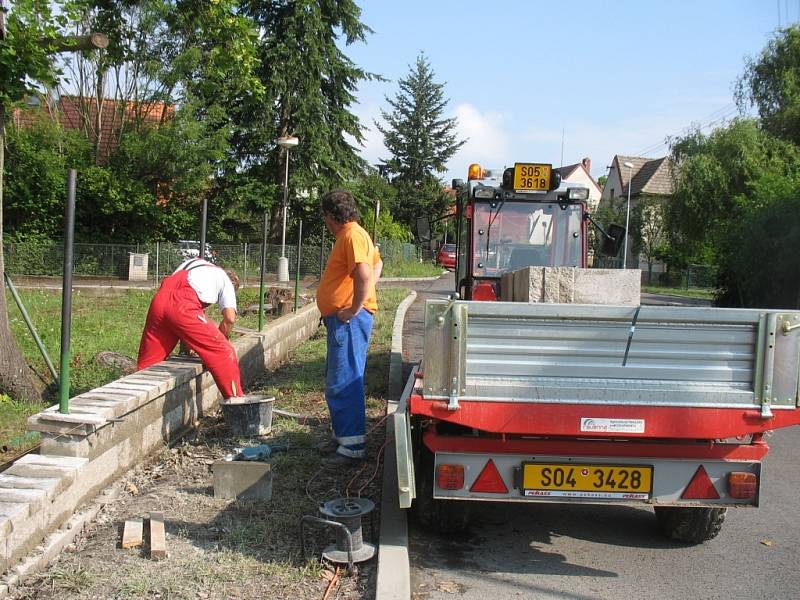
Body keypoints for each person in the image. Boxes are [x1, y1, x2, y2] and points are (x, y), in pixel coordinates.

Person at [317, 189, 383, 463]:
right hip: (347, 320)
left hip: (349, 321)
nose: (325, 223)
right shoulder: (357, 234)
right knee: (339, 378)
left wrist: (354, 308)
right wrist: (363, 296)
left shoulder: (352, 235)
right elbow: (378, 265)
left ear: (332, 215)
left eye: (325, 218)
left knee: (344, 380)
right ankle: (342, 437)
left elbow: (366, 273)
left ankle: (353, 447)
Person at [137, 257, 243, 399]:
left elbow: (184, 324)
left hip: (159, 301)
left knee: (147, 366)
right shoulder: (225, 280)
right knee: (225, 352)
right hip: (183, 306)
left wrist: (191, 345)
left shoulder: (195, 264)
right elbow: (229, 319)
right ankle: (238, 405)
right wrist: (219, 341)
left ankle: (134, 401)